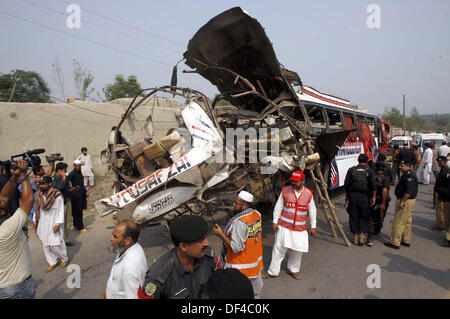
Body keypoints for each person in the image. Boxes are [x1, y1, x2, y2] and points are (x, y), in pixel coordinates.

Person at [138, 215, 220, 299]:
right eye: (200, 240)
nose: (207, 243)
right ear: (183, 246)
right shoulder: (159, 276)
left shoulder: (208, 256)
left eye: (205, 238)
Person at [262, 170, 317, 280]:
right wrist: (275, 221)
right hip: (284, 226)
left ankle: (293, 270)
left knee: (298, 250)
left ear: (302, 181)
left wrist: (313, 226)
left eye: (296, 182)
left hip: (300, 228)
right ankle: (272, 272)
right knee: (279, 249)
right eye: (293, 181)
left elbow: (312, 210)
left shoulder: (308, 193)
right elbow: (278, 207)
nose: (294, 183)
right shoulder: (285, 191)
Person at [213, 191, 263, 298]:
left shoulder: (241, 222)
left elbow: (236, 247)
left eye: (237, 203)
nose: (234, 205)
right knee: (254, 293)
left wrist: (221, 234)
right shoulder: (256, 214)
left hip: (240, 267)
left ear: (244, 205)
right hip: (254, 265)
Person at [0, 160, 35, 299]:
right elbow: (28, 200)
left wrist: (14, 177)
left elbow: (3, 197)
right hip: (17, 288)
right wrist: (23, 175)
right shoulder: (7, 230)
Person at [102, 220, 148, 299]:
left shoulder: (131, 270)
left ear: (128, 241)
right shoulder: (127, 247)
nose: (111, 238)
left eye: (115, 236)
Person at [33, 176, 69, 272]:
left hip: (54, 220)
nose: (41, 186)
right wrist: (35, 221)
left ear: (49, 184)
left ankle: (64, 258)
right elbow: (37, 208)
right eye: (40, 184)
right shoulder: (40, 195)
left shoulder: (57, 195)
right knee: (45, 243)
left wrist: (57, 223)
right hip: (43, 221)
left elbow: (60, 209)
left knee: (57, 243)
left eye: (44, 184)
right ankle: (52, 261)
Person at [384, 160, 418, 249]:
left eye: (402, 165)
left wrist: (402, 201)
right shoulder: (408, 174)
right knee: (407, 221)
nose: (400, 167)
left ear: (407, 166)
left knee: (399, 222)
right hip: (408, 200)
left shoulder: (409, 176)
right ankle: (405, 239)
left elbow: (409, 191)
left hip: (405, 200)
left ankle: (395, 242)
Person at [344, 154, 376, 245]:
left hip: (353, 196)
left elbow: (346, 184)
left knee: (353, 215)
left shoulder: (351, 170)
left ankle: (355, 236)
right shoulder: (370, 171)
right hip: (365, 197)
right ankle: (362, 236)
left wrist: (348, 194)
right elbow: (373, 186)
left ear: (358, 160)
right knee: (364, 216)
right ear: (366, 161)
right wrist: (373, 196)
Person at [367, 163, 391, 246]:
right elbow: (385, 190)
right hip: (382, 201)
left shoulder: (372, 176)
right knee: (380, 217)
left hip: (372, 200)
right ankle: (376, 232)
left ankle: (370, 237)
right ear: (384, 169)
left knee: (371, 218)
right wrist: (383, 203)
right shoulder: (386, 178)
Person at [52, 162, 73, 246]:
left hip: (67, 200)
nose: (65, 172)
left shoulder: (64, 178)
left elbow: (66, 188)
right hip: (60, 204)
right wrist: (63, 179)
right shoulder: (55, 179)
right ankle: (60, 240)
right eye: (64, 171)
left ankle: (66, 239)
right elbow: (58, 188)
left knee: (68, 220)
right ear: (59, 171)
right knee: (61, 222)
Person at [66, 159, 88, 233]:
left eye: (79, 166)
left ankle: (77, 226)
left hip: (81, 194)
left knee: (79, 211)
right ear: (74, 166)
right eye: (77, 166)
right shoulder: (72, 173)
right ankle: (80, 227)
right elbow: (66, 181)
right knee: (77, 212)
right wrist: (71, 189)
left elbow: (81, 184)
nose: (78, 167)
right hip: (76, 195)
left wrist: (85, 191)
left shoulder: (80, 173)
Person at [433, 156, 450, 241]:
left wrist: (441, 193)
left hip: (443, 194)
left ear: (445, 162)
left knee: (442, 210)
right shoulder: (442, 170)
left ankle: (441, 225)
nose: (439, 164)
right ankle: (440, 224)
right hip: (439, 192)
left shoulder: (447, 171)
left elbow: (447, 186)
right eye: (438, 162)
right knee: (439, 209)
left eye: (440, 162)